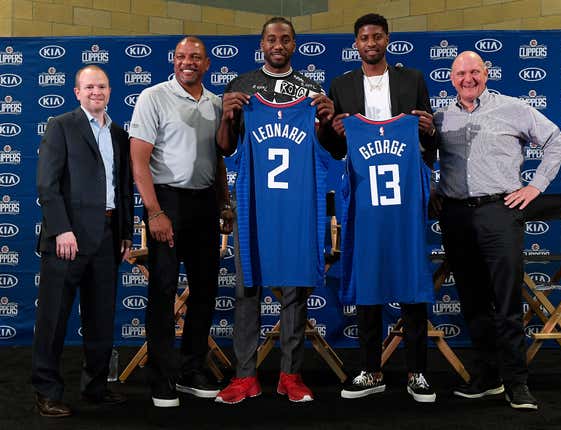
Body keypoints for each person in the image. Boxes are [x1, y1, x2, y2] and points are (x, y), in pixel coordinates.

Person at [433, 51, 561, 411]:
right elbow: (423, 159)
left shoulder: (513, 108)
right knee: (473, 300)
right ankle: (488, 378)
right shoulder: (440, 117)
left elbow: (558, 141)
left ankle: (517, 382)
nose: (468, 79)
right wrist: (432, 191)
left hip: (500, 211)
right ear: (451, 78)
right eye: (461, 73)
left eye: (474, 71)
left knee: (507, 302)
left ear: (486, 73)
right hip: (456, 215)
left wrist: (536, 186)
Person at [214, 16, 334, 404]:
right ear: (262, 44)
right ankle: (245, 376)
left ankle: (290, 374)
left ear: (294, 44)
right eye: (271, 39)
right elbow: (226, 147)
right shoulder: (242, 87)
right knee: (247, 290)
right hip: (253, 208)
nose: (277, 44)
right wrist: (227, 116)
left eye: (284, 39)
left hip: (296, 209)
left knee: (294, 292)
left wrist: (328, 122)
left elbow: (330, 150)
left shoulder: (312, 91)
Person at [325, 13, 437, 402]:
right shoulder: (341, 85)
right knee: (368, 278)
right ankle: (371, 369)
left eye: (377, 36)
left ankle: (418, 371)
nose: (370, 42)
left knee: (411, 275)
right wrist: (333, 133)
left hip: (403, 195)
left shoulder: (412, 80)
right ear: (355, 44)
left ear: (387, 39)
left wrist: (429, 130)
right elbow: (337, 149)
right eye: (363, 37)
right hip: (362, 195)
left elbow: (428, 138)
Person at [129, 36, 232, 408]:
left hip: (204, 203)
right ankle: (161, 375)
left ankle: (192, 369)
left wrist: (225, 204)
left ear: (207, 64)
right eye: (181, 56)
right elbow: (138, 160)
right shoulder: (153, 97)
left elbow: (217, 160)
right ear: (173, 61)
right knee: (163, 290)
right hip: (166, 201)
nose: (187, 62)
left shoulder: (216, 102)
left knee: (205, 290)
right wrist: (155, 212)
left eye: (195, 57)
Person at [32, 65, 133, 417]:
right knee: (53, 319)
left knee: (101, 318)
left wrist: (125, 232)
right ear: (77, 92)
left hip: (107, 237)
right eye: (89, 86)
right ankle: (47, 391)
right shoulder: (61, 126)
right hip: (67, 239)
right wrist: (61, 229)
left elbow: (122, 189)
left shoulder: (119, 134)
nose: (96, 92)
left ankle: (95, 387)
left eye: (102, 86)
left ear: (109, 91)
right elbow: (47, 184)